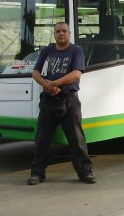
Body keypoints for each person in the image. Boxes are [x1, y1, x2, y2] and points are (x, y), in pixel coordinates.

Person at [27, 22, 95, 185]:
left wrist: (55, 83)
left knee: (77, 140)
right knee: (42, 139)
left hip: (69, 100)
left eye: (64, 31)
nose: (61, 34)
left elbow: (76, 74)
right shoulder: (47, 51)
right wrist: (47, 85)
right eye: (58, 31)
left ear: (69, 33)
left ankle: (85, 172)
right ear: (54, 34)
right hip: (48, 101)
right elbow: (35, 73)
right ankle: (37, 174)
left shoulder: (76, 51)